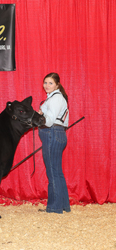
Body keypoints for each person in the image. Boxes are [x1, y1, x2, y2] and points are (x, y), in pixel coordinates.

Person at [38, 72, 71, 214]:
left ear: (57, 84)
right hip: (56, 134)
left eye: (50, 83)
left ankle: (55, 207)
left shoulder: (56, 99)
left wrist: (39, 116)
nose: (47, 85)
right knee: (56, 172)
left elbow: (50, 120)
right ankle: (62, 205)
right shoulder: (54, 98)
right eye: (45, 82)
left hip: (52, 133)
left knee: (52, 172)